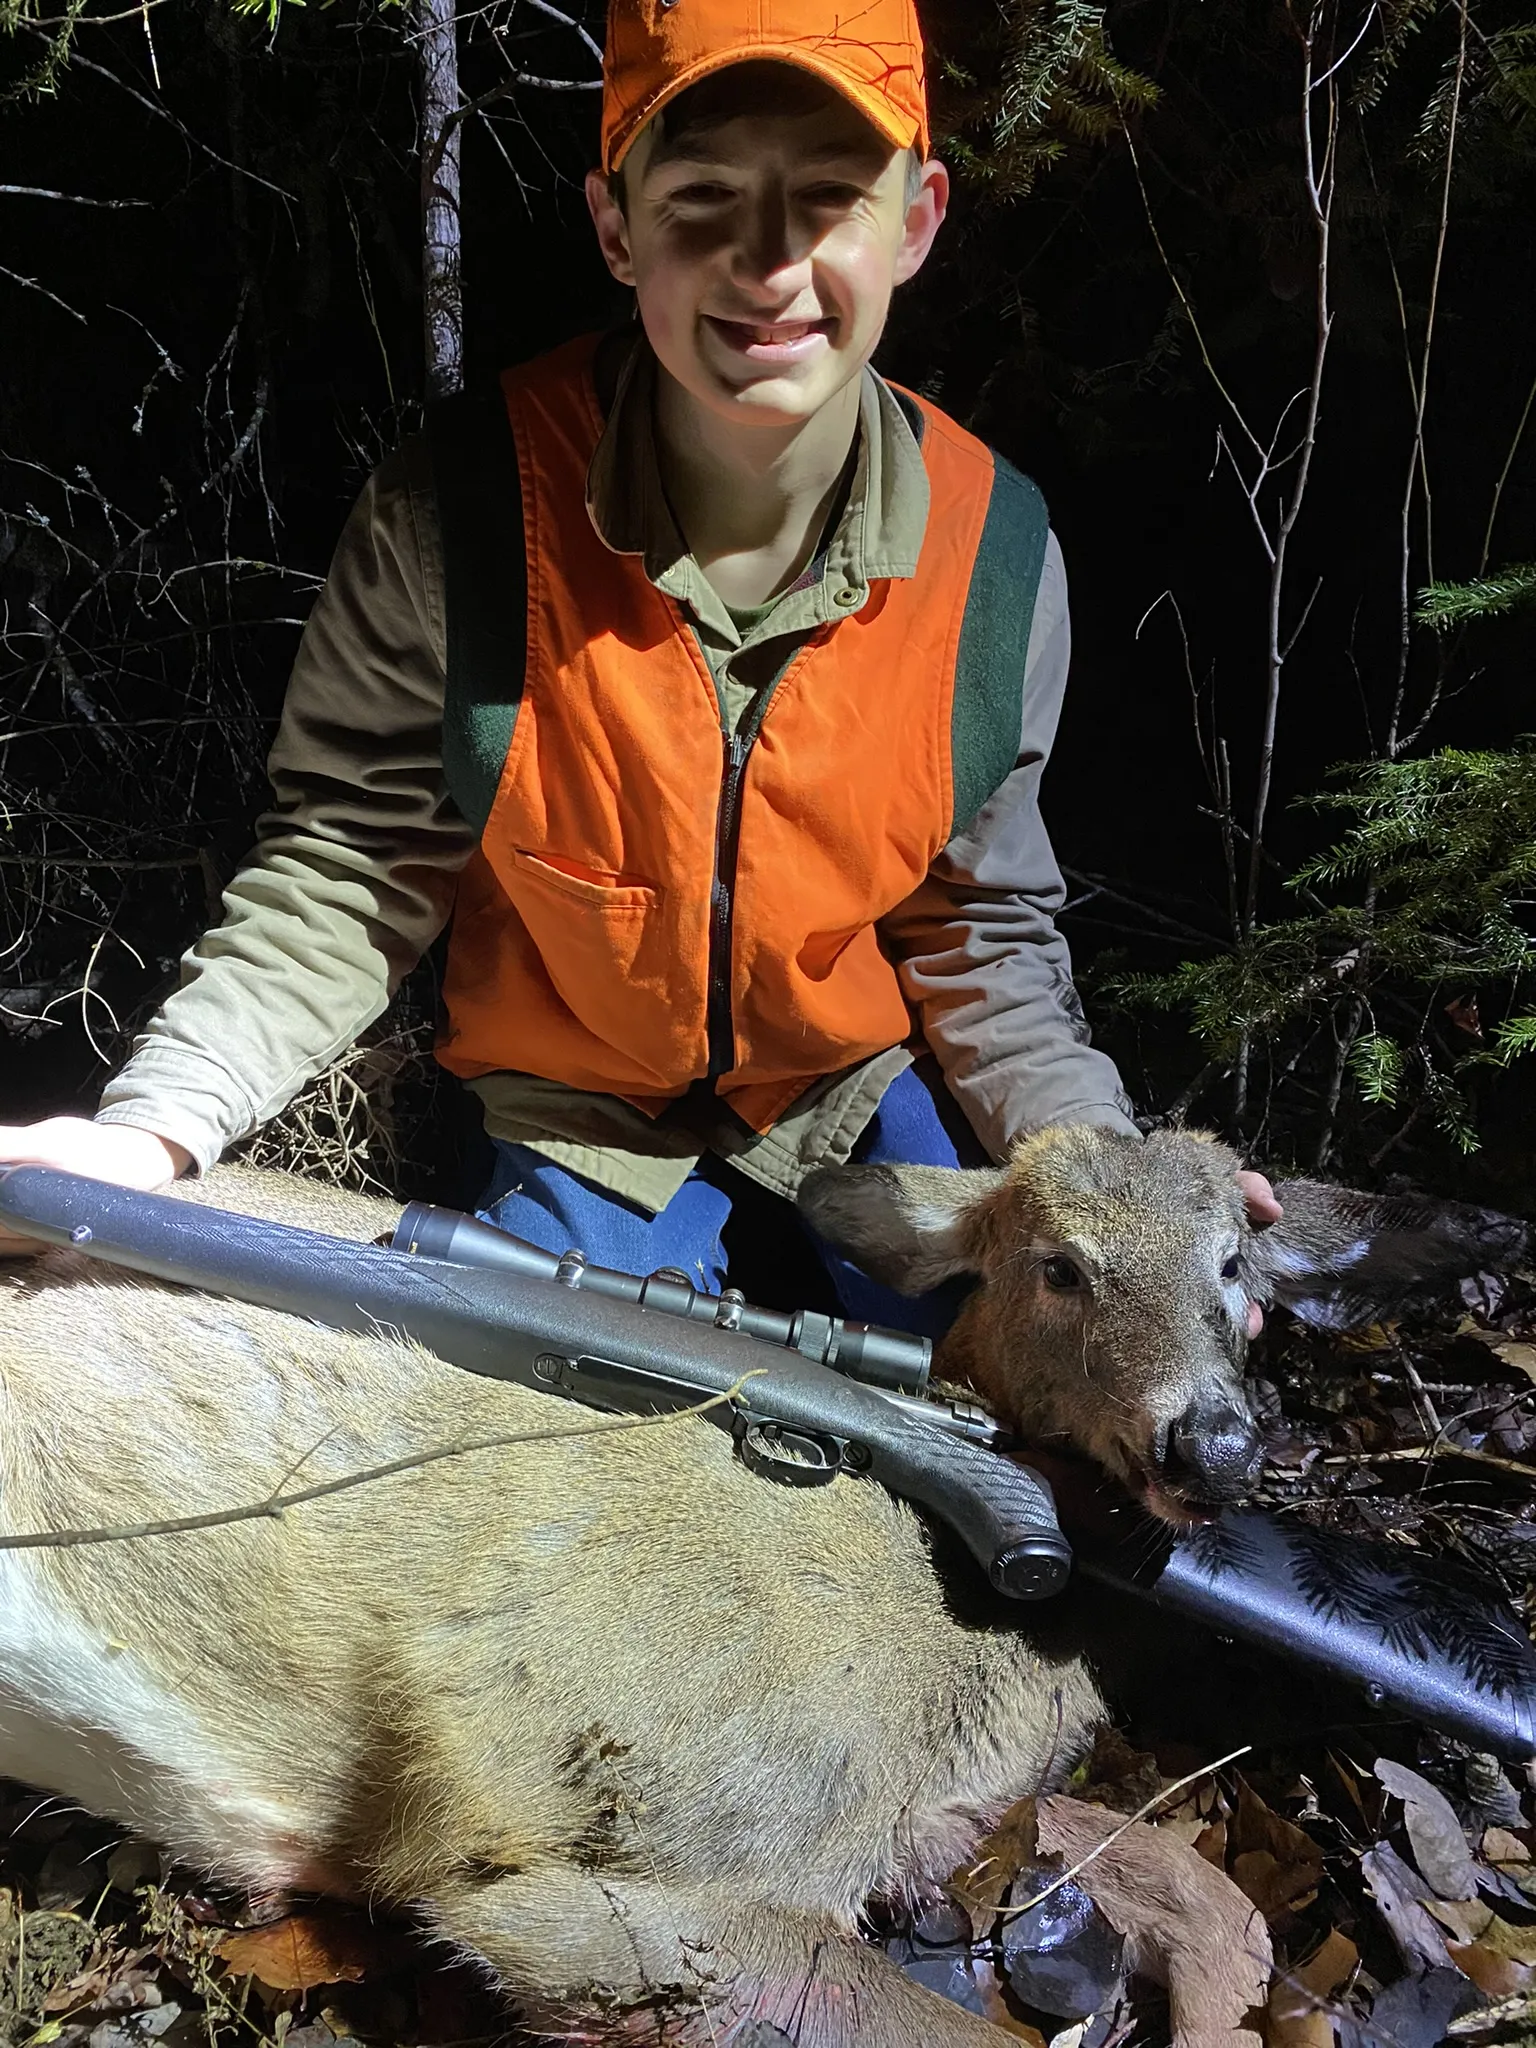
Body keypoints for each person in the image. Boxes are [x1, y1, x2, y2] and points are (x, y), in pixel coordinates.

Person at [0, 0, 1278, 1321]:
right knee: (572, 1457)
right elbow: (350, 868)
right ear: (618, 225)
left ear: (918, 218)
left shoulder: (993, 557)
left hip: (843, 1095)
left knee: (1050, 1391)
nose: (767, 260)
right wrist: (150, 1138)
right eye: (705, 193)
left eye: (831, 194)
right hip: (582, 1117)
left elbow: (985, 929)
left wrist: (1109, 1177)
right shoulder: (467, 518)